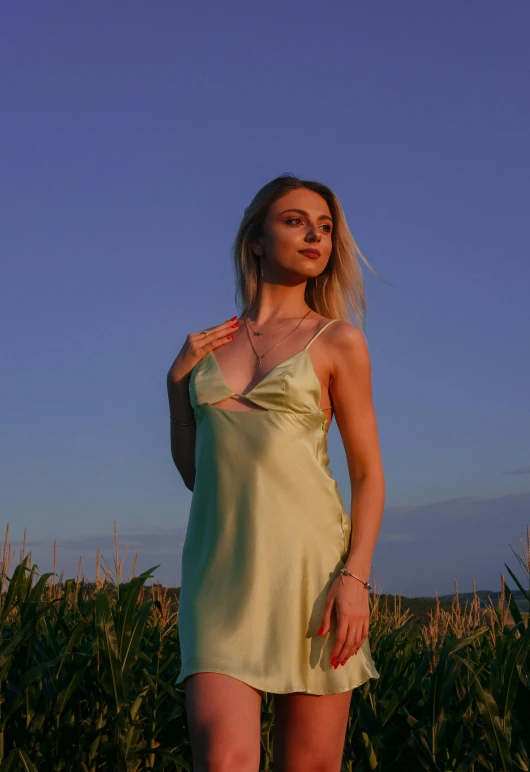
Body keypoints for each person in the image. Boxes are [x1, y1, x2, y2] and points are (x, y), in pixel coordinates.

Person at [166, 173, 386, 771]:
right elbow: (197, 475)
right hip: (219, 578)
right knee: (224, 760)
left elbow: (367, 473)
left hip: (312, 578)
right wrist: (176, 388)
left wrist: (356, 578)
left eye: (325, 227)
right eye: (295, 221)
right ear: (256, 240)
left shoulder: (338, 340)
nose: (315, 235)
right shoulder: (208, 349)